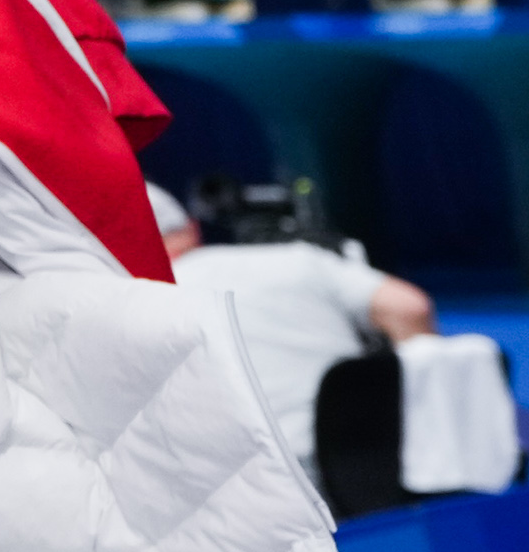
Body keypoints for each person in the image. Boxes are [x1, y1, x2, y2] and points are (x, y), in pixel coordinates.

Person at [156, 184, 439, 462]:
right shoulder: (299, 258)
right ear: (192, 227)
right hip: (367, 462)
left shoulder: (143, 306)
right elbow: (409, 308)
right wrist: (423, 420)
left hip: (246, 480)